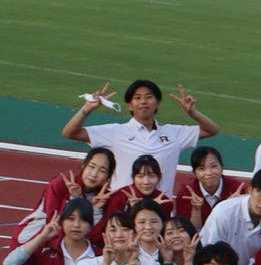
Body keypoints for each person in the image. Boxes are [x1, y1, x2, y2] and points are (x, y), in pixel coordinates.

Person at [61, 78, 220, 185]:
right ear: (129, 105)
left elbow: (212, 130)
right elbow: (70, 133)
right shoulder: (116, 132)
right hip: (124, 212)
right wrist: (87, 108)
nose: (143, 101)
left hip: (160, 212)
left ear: (157, 103)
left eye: (149, 97)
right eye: (137, 98)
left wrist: (192, 113)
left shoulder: (173, 133)